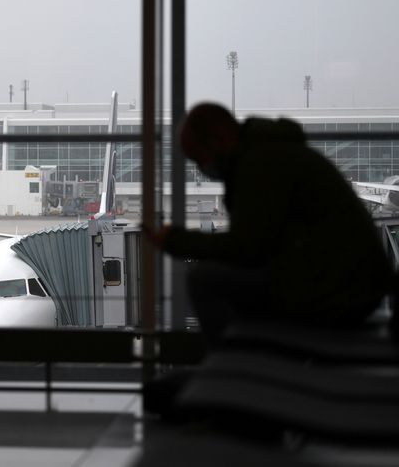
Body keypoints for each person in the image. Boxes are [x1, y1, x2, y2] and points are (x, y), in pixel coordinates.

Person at [148, 102, 393, 344]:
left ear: (219, 139)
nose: (201, 168)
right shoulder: (273, 154)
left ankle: (236, 363)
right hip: (349, 286)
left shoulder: (261, 164)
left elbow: (246, 248)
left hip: (338, 292)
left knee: (203, 280)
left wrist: (176, 240)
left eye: (198, 158)